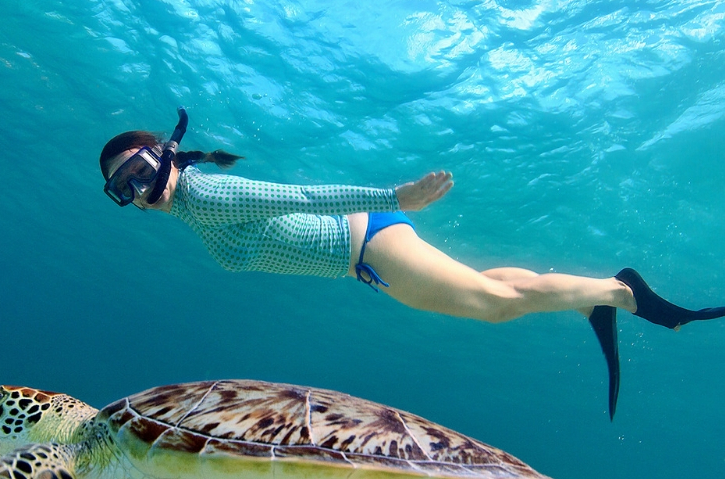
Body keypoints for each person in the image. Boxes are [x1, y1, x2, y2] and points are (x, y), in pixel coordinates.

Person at [99, 109, 725, 419]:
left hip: (366, 244)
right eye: (122, 188)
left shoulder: (206, 194)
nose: (137, 189)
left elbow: (302, 197)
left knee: (493, 309)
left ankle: (621, 294)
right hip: (365, 253)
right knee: (491, 290)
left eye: (139, 171)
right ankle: (596, 295)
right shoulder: (192, 208)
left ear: (167, 158)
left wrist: (395, 197)